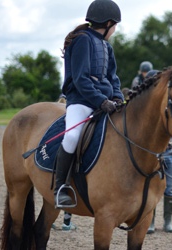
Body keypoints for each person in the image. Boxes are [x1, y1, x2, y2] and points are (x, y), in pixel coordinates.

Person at [54, 0, 124, 207]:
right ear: (109, 23)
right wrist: (101, 101)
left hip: (105, 102)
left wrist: (118, 97)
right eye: (115, 26)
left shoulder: (106, 46)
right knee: (72, 136)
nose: (115, 30)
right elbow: (81, 79)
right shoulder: (83, 40)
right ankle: (61, 187)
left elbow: (113, 77)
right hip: (82, 102)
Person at [143, 70, 172, 234]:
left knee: (169, 189)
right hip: (153, 154)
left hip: (169, 152)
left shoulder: (167, 105)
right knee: (151, 189)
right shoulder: (146, 112)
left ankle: (168, 222)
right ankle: (151, 222)